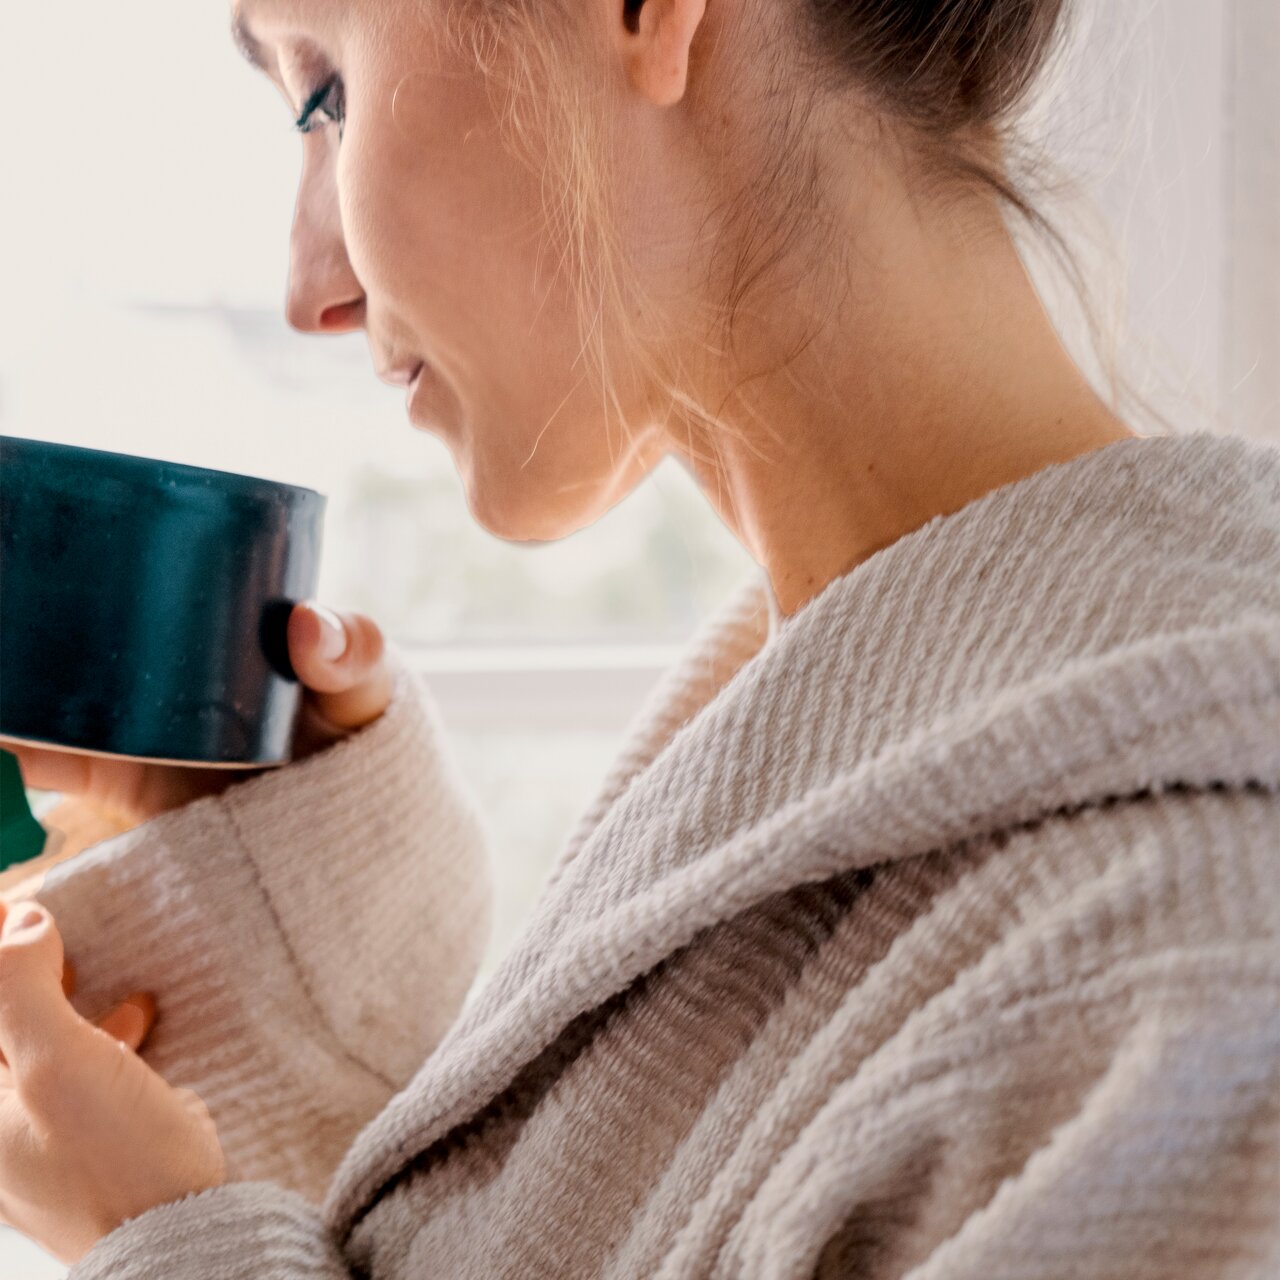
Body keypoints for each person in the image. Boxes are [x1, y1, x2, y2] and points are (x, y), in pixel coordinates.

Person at [1, 0, 1277, 1273]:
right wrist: (270, 924)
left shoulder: (1198, 957)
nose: (309, 290)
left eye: (327, 89)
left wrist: (153, 1245)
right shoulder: (821, 751)